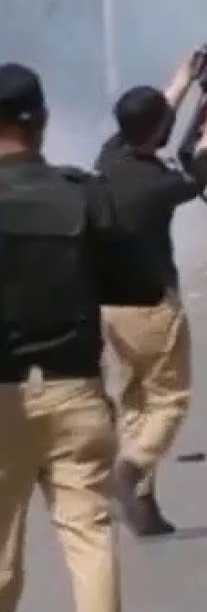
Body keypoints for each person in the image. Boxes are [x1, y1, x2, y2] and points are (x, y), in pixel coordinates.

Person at [0, 62, 167, 612]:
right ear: (44, 121)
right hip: (76, 391)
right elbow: (143, 284)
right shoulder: (84, 195)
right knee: (89, 537)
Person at [92, 52, 207, 536]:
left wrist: (184, 78)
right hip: (153, 309)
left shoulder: (110, 157)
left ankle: (142, 504)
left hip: (110, 308)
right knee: (170, 400)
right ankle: (129, 471)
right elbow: (197, 170)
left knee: (138, 400)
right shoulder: (161, 184)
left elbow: (155, 120)